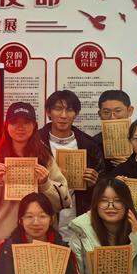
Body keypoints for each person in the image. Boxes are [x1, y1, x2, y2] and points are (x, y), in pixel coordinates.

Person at [0, 101, 70, 247]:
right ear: (7, 126)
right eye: (14, 122)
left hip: (40, 240)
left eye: (26, 122)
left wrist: (46, 184)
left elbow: (63, 201)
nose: (20, 127)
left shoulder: (45, 159)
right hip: (2, 241)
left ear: (34, 126)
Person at [38, 90, 103, 238]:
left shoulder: (89, 145)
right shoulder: (36, 142)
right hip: (43, 222)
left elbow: (103, 188)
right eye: (58, 109)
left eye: (69, 110)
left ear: (76, 114)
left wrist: (95, 182)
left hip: (79, 222)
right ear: (48, 112)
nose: (63, 115)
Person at [0, 193, 84, 274]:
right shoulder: (6, 248)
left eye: (42, 216)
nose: (36, 222)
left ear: (51, 219)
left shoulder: (63, 250)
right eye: (29, 216)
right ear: (21, 220)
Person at [93, 90, 134, 177]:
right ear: (100, 114)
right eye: (106, 112)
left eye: (118, 111)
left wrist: (131, 165)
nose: (112, 117)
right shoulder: (94, 143)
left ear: (130, 111)